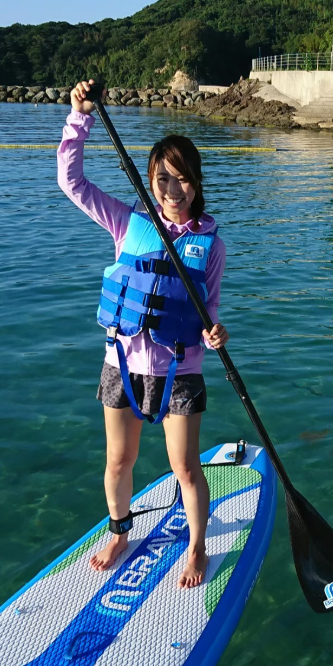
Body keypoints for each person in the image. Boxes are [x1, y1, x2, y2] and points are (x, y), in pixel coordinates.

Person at [58, 80, 228, 588]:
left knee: (186, 468)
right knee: (118, 460)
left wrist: (216, 335)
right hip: (123, 363)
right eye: (162, 181)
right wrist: (79, 118)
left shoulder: (211, 246)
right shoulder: (126, 222)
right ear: (150, 183)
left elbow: (210, 313)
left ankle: (197, 547)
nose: (173, 192)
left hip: (180, 370)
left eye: (182, 180)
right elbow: (73, 183)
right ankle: (119, 530)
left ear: (196, 181)